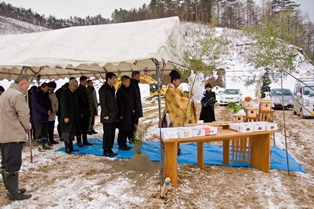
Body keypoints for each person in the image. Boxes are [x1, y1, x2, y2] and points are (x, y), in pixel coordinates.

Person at [0, 75, 32, 200]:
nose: (27, 89)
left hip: (3, 134)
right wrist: (27, 125)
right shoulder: (17, 95)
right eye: (27, 86)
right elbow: (23, 114)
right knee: (13, 164)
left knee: (6, 163)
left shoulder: (5, 94)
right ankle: (13, 192)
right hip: (13, 134)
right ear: (22, 84)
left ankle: (11, 188)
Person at [161, 70, 197, 155]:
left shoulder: (175, 89)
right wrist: (188, 100)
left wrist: (188, 95)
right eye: (178, 81)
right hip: (170, 114)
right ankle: (170, 149)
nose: (179, 82)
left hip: (174, 114)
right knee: (170, 132)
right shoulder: (170, 90)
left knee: (175, 132)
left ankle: (175, 147)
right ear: (174, 81)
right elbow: (178, 100)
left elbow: (182, 95)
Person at [99, 72, 119, 157]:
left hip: (113, 115)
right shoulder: (103, 89)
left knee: (112, 133)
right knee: (107, 134)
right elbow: (103, 103)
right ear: (108, 79)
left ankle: (110, 149)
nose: (115, 80)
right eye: (113, 79)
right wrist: (105, 114)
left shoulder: (112, 88)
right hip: (107, 116)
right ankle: (106, 150)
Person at [60, 79, 80, 154]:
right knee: (67, 132)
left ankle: (71, 146)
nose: (76, 87)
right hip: (67, 116)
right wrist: (65, 116)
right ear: (70, 85)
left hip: (73, 116)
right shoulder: (64, 93)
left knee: (72, 132)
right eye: (75, 86)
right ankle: (67, 147)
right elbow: (64, 105)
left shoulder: (74, 93)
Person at [31, 83, 52, 151]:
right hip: (38, 116)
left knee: (45, 131)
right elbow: (36, 105)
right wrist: (46, 111)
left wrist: (50, 110)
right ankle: (40, 145)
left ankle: (45, 143)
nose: (47, 89)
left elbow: (49, 103)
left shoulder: (46, 94)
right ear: (42, 87)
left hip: (45, 116)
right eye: (46, 88)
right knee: (39, 131)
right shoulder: (35, 94)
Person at [116, 76, 134, 150]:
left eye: (129, 82)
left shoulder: (127, 90)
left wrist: (132, 109)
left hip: (128, 113)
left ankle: (124, 143)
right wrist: (121, 114)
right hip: (123, 115)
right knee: (122, 130)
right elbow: (119, 104)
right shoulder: (120, 91)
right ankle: (121, 144)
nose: (129, 83)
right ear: (123, 82)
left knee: (127, 129)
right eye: (127, 81)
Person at [75, 76, 92, 147]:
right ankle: (79, 141)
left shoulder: (86, 89)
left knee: (85, 127)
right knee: (80, 128)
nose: (86, 83)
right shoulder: (78, 90)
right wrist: (80, 112)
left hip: (87, 111)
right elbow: (78, 103)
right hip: (81, 112)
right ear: (81, 81)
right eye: (85, 81)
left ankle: (85, 140)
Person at [128, 71, 143, 141]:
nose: (139, 77)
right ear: (134, 76)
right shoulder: (132, 84)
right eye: (138, 76)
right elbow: (131, 98)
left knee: (135, 124)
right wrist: (133, 108)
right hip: (134, 109)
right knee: (133, 124)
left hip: (136, 108)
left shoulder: (135, 84)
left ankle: (133, 137)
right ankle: (131, 138)